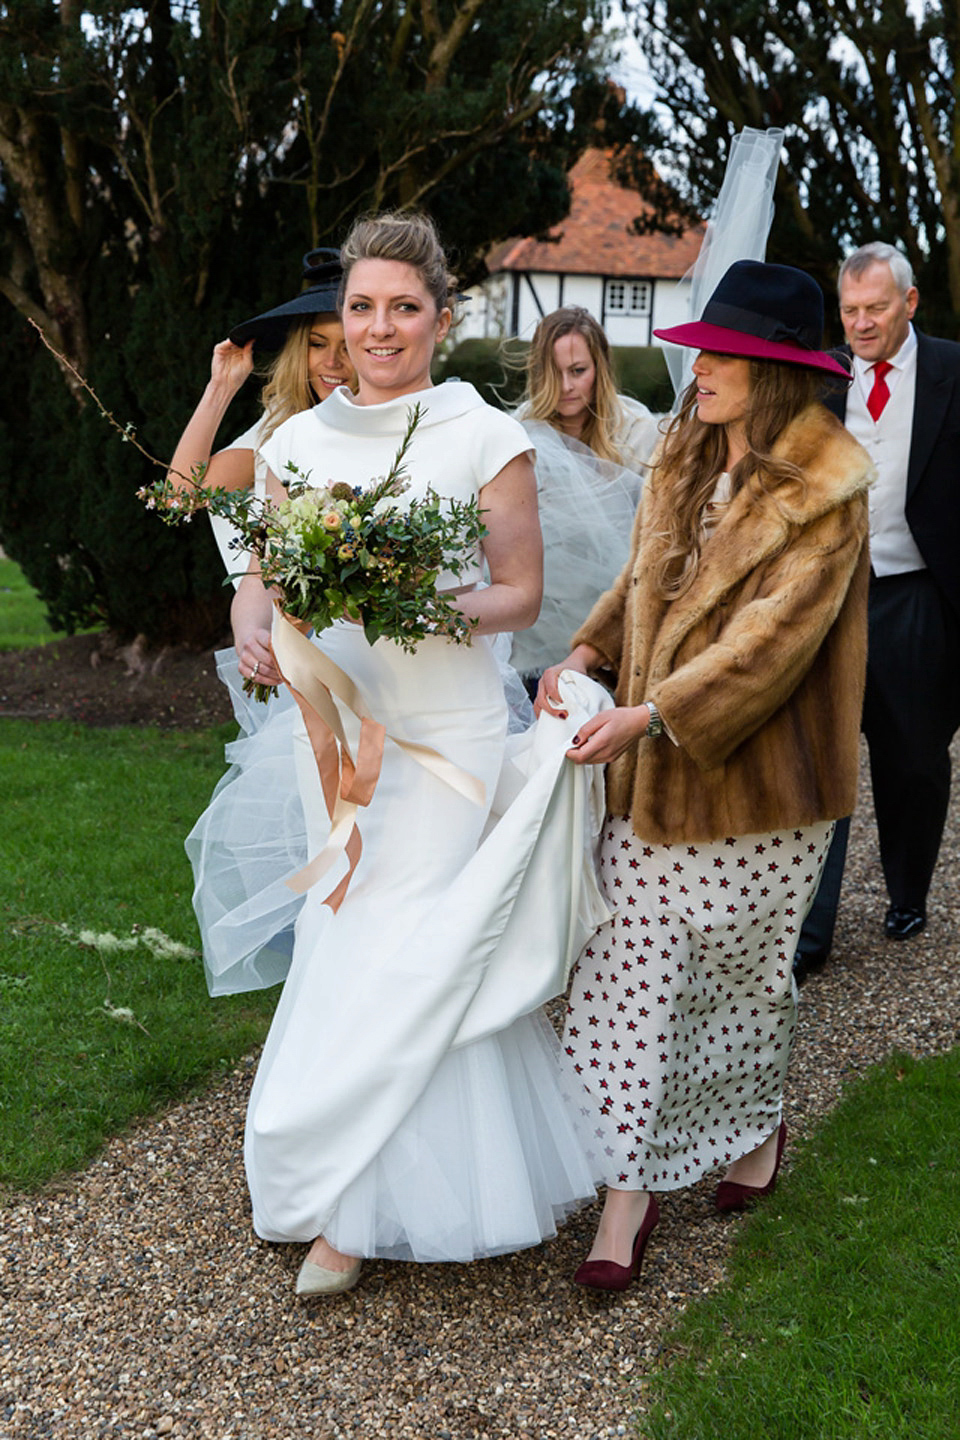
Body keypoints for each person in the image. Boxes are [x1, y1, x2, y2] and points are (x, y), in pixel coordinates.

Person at [217, 211, 602, 1296]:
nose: (379, 329)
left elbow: (519, 597)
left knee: (417, 943)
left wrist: (419, 602)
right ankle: (346, 1168)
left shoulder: (486, 436)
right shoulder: (294, 441)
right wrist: (255, 614)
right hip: (338, 732)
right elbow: (267, 574)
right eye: (360, 308)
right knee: (345, 935)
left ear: (441, 316)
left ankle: (355, 1214)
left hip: (447, 732)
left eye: (402, 308)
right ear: (338, 319)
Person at [537, 260, 873, 1291]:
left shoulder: (829, 488)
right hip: (655, 782)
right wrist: (589, 652)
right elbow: (640, 576)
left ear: (774, 373)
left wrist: (653, 714)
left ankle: (756, 1131)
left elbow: (772, 647)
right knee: (628, 972)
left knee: (743, 982)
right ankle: (625, 1198)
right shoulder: (683, 450)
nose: (701, 370)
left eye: (723, 357)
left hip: (765, 788)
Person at [795, 242, 960, 978]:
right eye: (851, 310)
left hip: (918, 592)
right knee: (820, 751)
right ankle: (811, 930)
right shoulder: (820, 380)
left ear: (910, 302)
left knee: (915, 760)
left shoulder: (955, 370)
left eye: (876, 308)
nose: (861, 324)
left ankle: (908, 889)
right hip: (832, 595)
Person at [167, 249, 356, 583]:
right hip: (282, 622)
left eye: (348, 346)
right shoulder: (282, 424)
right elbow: (180, 497)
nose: (332, 361)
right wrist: (221, 387)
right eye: (317, 344)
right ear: (300, 349)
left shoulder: (405, 424)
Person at [509, 307, 659, 684]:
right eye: (553, 373)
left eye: (578, 371)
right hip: (538, 621)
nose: (566, 387)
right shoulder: (518, 433)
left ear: (600, 368)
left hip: (617, 615)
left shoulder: (640, 434)